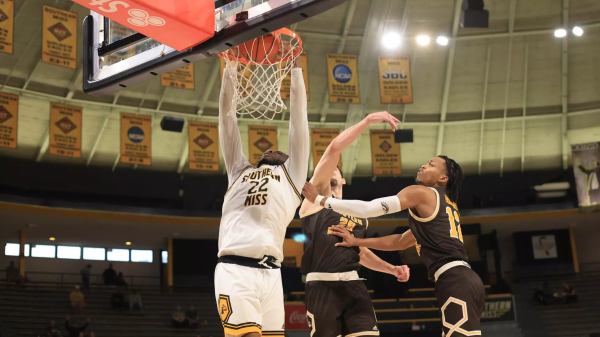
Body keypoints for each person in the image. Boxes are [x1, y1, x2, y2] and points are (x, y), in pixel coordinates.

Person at [303, 155, 486, 337]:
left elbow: (369, 208)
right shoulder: (445, 205)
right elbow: (400, 241)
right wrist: (358, 242)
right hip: (464, 278)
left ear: (443, 178)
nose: (423, 165)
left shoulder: (422, 193)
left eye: (431, 165)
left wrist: (320, 200)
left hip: (454, 278)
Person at [215, 43, 309, 337]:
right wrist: (230, 70)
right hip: (235, 269)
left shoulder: (292, 177)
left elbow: (299, 123)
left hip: (272, 275)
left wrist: (295, 70)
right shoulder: (238, 171)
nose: (269, 150)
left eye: (276, 150)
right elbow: (226, 119)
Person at [298, 111, 410, 337]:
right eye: (327, 168)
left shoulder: (359, 214)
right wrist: (367, 121)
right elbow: (334, 148)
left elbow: (360, 252)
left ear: (343, 179)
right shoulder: (315, 197)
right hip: (322, 284)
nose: (330, 169)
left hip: (353, 283)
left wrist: (391, 269)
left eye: (335, 169)